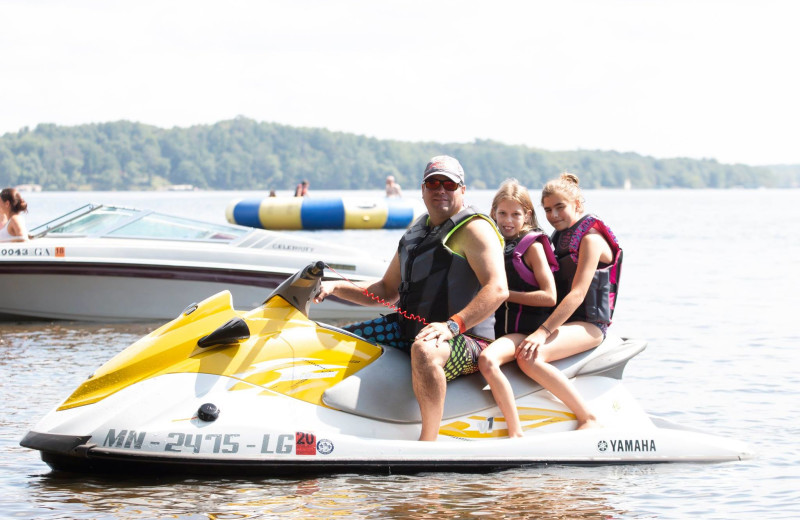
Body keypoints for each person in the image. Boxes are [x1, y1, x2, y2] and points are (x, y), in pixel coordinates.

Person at [314, 155, 508, 441]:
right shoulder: (417, 230)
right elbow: (386, 290)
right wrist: (334, 288)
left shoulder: (475, 229)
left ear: (462, 190)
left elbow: (498, 288)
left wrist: (453, 325)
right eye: (433, 183)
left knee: (425, 351)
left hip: (467, 340)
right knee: (335, 340)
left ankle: (428, 442)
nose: (440, 189)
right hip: (411, 329)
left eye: (449, 184)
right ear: (422, 189)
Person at [512, 172, 622, 430]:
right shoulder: (556, 240)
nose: (554, 215)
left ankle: (587, 417)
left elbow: (578, 293)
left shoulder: (591, 240)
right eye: (548, 209)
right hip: (564, 321)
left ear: (577, 205)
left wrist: (542, 332)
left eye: (560, 207)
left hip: (590, 325)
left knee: (529, 357)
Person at [478, 179, 558, 438]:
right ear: (493, 213)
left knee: (487, 360)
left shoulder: (532, 247)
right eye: (502, 213)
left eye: (515, 214)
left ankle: (516, 432)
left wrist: (503, 295)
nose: (507, 221)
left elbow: (549, 296)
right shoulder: (493, 244)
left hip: (525, 332)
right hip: (497, 332)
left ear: (528, 215)